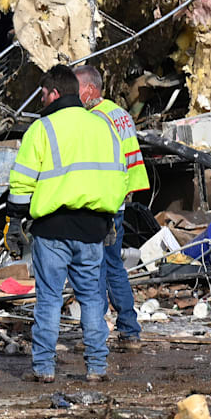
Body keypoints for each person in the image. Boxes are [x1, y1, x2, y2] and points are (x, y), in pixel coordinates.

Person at [7, 64, 128, 384]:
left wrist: (14, 223)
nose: (41, 100)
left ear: (55, 93)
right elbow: (120, 178)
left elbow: (21, 184)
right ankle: (97, 367)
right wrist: (109, 217)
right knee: (91, 299)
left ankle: (44, 368)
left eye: (43, 94)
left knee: (49, 299)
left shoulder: (42, 129)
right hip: (93, 228)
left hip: (52, 229)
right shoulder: (105, 128)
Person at [74, 65, 148, 352]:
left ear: (91, 89)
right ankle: (130, 331)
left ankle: (97, 331)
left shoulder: (95, 119)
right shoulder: (119, 113)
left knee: (96, 267)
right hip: (118, 198)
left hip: (102, 201)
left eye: (76, 89)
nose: (73, 95)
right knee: (113, 265)